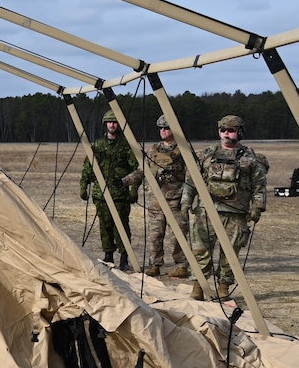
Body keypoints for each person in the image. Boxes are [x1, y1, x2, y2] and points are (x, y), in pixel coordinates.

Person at [182, 114, 269, 300]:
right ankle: (198, 286)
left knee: (230, 254)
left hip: (236, 213)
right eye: (223, 130)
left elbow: (259, 186)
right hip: (206, 212)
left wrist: (257, 208)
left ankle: (223, 286)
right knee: (200, 251)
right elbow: (191, 182)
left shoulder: (251, 159)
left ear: (239, 132)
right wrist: (186, 201)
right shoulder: (205, 155)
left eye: (231, 130)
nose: (226, 134)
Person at [79, 108, 140, 267]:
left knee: (122, 226)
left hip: (120, 194)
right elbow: (88, 167)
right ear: (105, 124)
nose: (112, 125)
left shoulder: (126, 146)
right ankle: (108, 256)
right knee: (105, 226)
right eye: (109, 122)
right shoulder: (97, 145)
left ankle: (124, 258)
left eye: (115, 122)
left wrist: (133, 190)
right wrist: (83, 186)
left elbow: (137, 170)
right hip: (101, 194)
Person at [140, 120, 190, 276]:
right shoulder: (154, 150)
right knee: (155, 235)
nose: (163, 130)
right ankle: (155, 265)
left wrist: (188, 199)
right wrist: (124, 181)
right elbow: (142, 170)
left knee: (178, 235)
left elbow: (191, 175)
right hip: (155, 202)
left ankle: (181, 266)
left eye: (166, 127)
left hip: (175, 200)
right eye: (160, 128)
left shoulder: (183, 150)